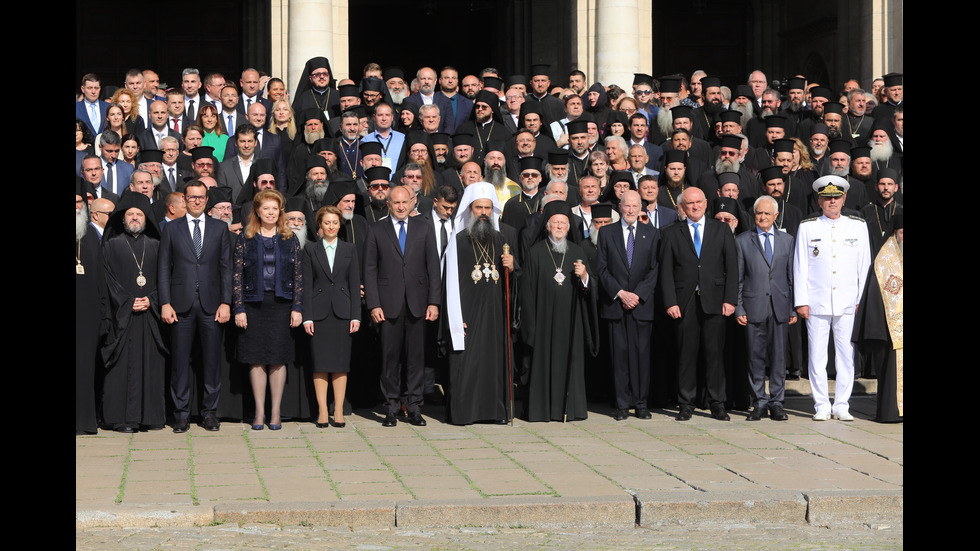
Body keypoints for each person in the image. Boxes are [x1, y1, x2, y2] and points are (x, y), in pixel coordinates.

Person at [794, 176, 871, 421]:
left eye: (836, 197)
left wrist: (862, 299)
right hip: (816, 301)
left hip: (848, 301)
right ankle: (821, 404)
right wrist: (801, 300)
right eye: (827, 197)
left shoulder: (857, 226)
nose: (832, 201)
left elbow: (864, 266)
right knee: (817, 355)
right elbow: (800, 266)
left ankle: (842, 403)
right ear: (819, 200)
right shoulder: (808, 227)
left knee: (846, 355)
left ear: (844, 198)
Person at [158, 179, 233, 433]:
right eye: (192, 197)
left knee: (212, 362)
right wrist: (165, 303)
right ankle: (180, 414)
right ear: (185, 200)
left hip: (212, 305)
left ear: (207, 200)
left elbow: (226, 267)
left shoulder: (219, 228)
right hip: (180, 305)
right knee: (179, 362)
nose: (197, 201)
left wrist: (226, 301)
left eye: (201, 197)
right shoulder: (172, 229)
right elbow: (163, 269)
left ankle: (209, 413)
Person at [363, 185, 441, 427]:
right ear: (388, 204)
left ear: (412, 202)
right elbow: (370, 270)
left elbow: (433, 268)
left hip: (418, 304)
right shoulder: (376, 230)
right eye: (395, 202)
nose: (400, 206)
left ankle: (415, 407)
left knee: (416, 359)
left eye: (404, 202)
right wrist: (374, 304)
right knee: (390, 358)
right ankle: (391, 407)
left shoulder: (424, 228)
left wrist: (434, 301)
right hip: (388, 305)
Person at [660, 187, 738, 421]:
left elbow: (732, 267)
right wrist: (670, 302)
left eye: (698, 202)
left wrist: (730, 299)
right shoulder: (671, 233)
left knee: (714, 354)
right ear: (682, 206)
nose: (694, 207)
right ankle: (686, 403)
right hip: (684, 303)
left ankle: (717, 403)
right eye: (689, 203)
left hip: (715, 301)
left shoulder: (721, 229)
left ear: (706, 204)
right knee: (686, 354)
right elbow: (665, 271)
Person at [520, 201, 599, 422]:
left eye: (563, 223)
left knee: (570, 364)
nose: (559, 227)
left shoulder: (577, 251)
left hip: (570, 324)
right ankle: (542, 411)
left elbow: (590, 289)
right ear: (546, 225)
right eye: (555, 222)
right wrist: (531, 326)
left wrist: (584, 276)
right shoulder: (535, 252)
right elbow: (526, 292)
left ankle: (570, 409)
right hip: (542, 322)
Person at [443, 182, 515, 425]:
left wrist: (511, 268)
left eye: (487, 207)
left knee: (493, 363)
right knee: (468, 364)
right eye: (478, 207)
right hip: (468, 316)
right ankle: (466, 413)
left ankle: (495, 412)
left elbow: (513, 284)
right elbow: (449, 284)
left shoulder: (501, 240)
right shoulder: (458, 241)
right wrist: (455, 318)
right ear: (469, 210)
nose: (483, 212)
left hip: (495, 315)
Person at [233, 189, 304, 430]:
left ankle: (276, 413)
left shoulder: (289, 237)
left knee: (277, 359)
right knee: (256, 360)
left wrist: (297, 307)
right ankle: (259, 413)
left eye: (275, 208)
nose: (271, 212)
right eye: (266, 208)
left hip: (282, 306)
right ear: (258, 211)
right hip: (254, 305)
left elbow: (298, 275)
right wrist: (239, 308)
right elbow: (237, 275)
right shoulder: (246, 237)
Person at [100, 193, 167, 433]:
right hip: (122, 317)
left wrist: (151, 300)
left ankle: (150, 416)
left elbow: (166, 279)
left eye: (139, 214)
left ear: (146, 219)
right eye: (130, 214)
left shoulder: (157, 246)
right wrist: (128, 301)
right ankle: (120, 419)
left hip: (150, 316)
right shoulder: (111, 245)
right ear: (122, 218)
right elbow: (106, 280)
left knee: (151, 363)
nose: (135, 218)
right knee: (120, 364)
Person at [596, 190, 661, 420]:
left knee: (642, 357)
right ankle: (622, 404)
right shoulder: (606, 233)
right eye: (627, 206)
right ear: (620, 207)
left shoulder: (652, 234)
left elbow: (654, 270)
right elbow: (601, 269)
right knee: (619, 357)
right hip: (616, 305)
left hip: (641, 306)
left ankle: (641, 403)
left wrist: (637, 295)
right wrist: (621, 293)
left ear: (641, 207)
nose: (631, 210)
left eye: (635, 206)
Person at [735, 195, 796, 421]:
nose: (762, 217)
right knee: (755, 357)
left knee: (779, 358)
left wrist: (792, 309)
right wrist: (739, 308)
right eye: (759, 213)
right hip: (753, 307)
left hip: (780, 307)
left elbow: (792, 277)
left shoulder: (787, 241)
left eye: (767, 213)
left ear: (776, 216)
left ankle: (777, 402)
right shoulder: (742, 241)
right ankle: (759, 402)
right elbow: (738, 279)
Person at [302, 205, 361, 428]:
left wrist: (356, 315)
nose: (331, 226)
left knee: (340, 364)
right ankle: (322, 410)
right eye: (327, 223)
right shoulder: (310, 250)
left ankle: (338, 409)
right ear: (320, 225)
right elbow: (306, 285)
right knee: (320, 364)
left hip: (343, 313)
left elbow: (355, 284)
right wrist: (307, 316)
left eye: (335, 222)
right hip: (318, 314)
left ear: (340, 224)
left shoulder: (350, 249)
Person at [853, 214, 903, 423]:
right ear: (895, 234)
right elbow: (875, 298)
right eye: (903, 232)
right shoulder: (884, 262)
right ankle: (891, 412)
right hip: (892, 330)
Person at [76, 180, 103, 435]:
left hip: (87, 315)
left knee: (85, 366)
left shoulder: (92, 237)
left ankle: (84, 421)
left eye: (78, 203)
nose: (75, 208)